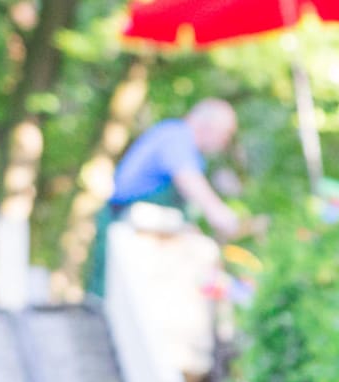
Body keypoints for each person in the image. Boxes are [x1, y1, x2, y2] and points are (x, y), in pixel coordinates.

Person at [88, 98, 242, 296]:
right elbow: (189, 180)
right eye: (225, 134)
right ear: (208, 126)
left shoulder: (190, 150)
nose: (225, 142)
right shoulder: (177, 137)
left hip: (143, 233)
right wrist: (219, 213)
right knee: (113, 300)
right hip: (125, 228)